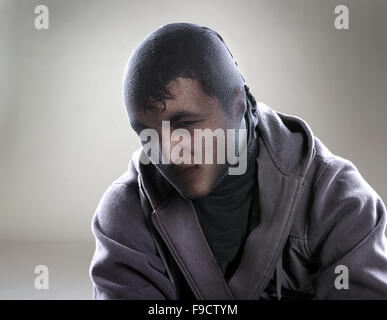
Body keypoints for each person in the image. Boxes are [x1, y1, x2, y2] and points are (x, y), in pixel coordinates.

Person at [89, 22, 387, 300]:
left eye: (185, 124)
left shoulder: (337, 200)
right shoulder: (123, 215)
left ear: (238, 103)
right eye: (147, 134)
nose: (168, 152)